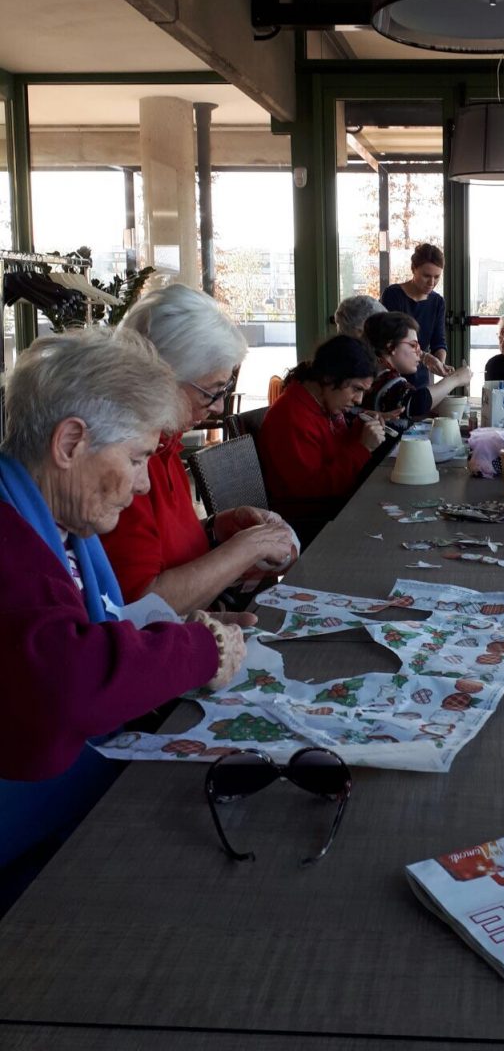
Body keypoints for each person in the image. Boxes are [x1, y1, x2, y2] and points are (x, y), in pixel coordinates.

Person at [0, 328, 247, 882]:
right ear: (70, 444)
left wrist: (171, 630)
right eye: (136, 457)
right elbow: (66, 682)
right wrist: (195, 648)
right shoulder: (8, 537)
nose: (141, 485)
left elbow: (90, 630)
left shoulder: (64, 525)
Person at [101, 284, 296, 615]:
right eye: (211, 391)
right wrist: (248, 548)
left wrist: (217, 529)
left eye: (226, 389)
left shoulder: (166, 443)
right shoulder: (122, 461)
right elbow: (140, 607)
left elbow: (164, 548)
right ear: (160, 379)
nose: (220, 407)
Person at [258, 335, 386, 542]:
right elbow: (311, 491)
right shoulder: (292, 416)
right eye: (356, 389)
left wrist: (359, 429)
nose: (359, 400)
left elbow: (333, 452)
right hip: (307, 523)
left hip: (331, 509)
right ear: (328, 377)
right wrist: (362, 448)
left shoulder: (321, 404)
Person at [363, 311, 471, 428]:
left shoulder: (371, 374)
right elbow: (417, 403)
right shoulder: (386, 381)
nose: (419, 352)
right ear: (391, 347)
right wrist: (455, 379)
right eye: (413, 345)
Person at [380, 243, 448, 390]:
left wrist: (439, 364)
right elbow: (394, 340)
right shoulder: (393, 295)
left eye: (437, 277)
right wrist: (426, 358)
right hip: (392, 376)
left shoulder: (437, 302)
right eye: (426, 276)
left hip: (421, 377)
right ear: (413, 269)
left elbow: (439, 343)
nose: (432, 282)